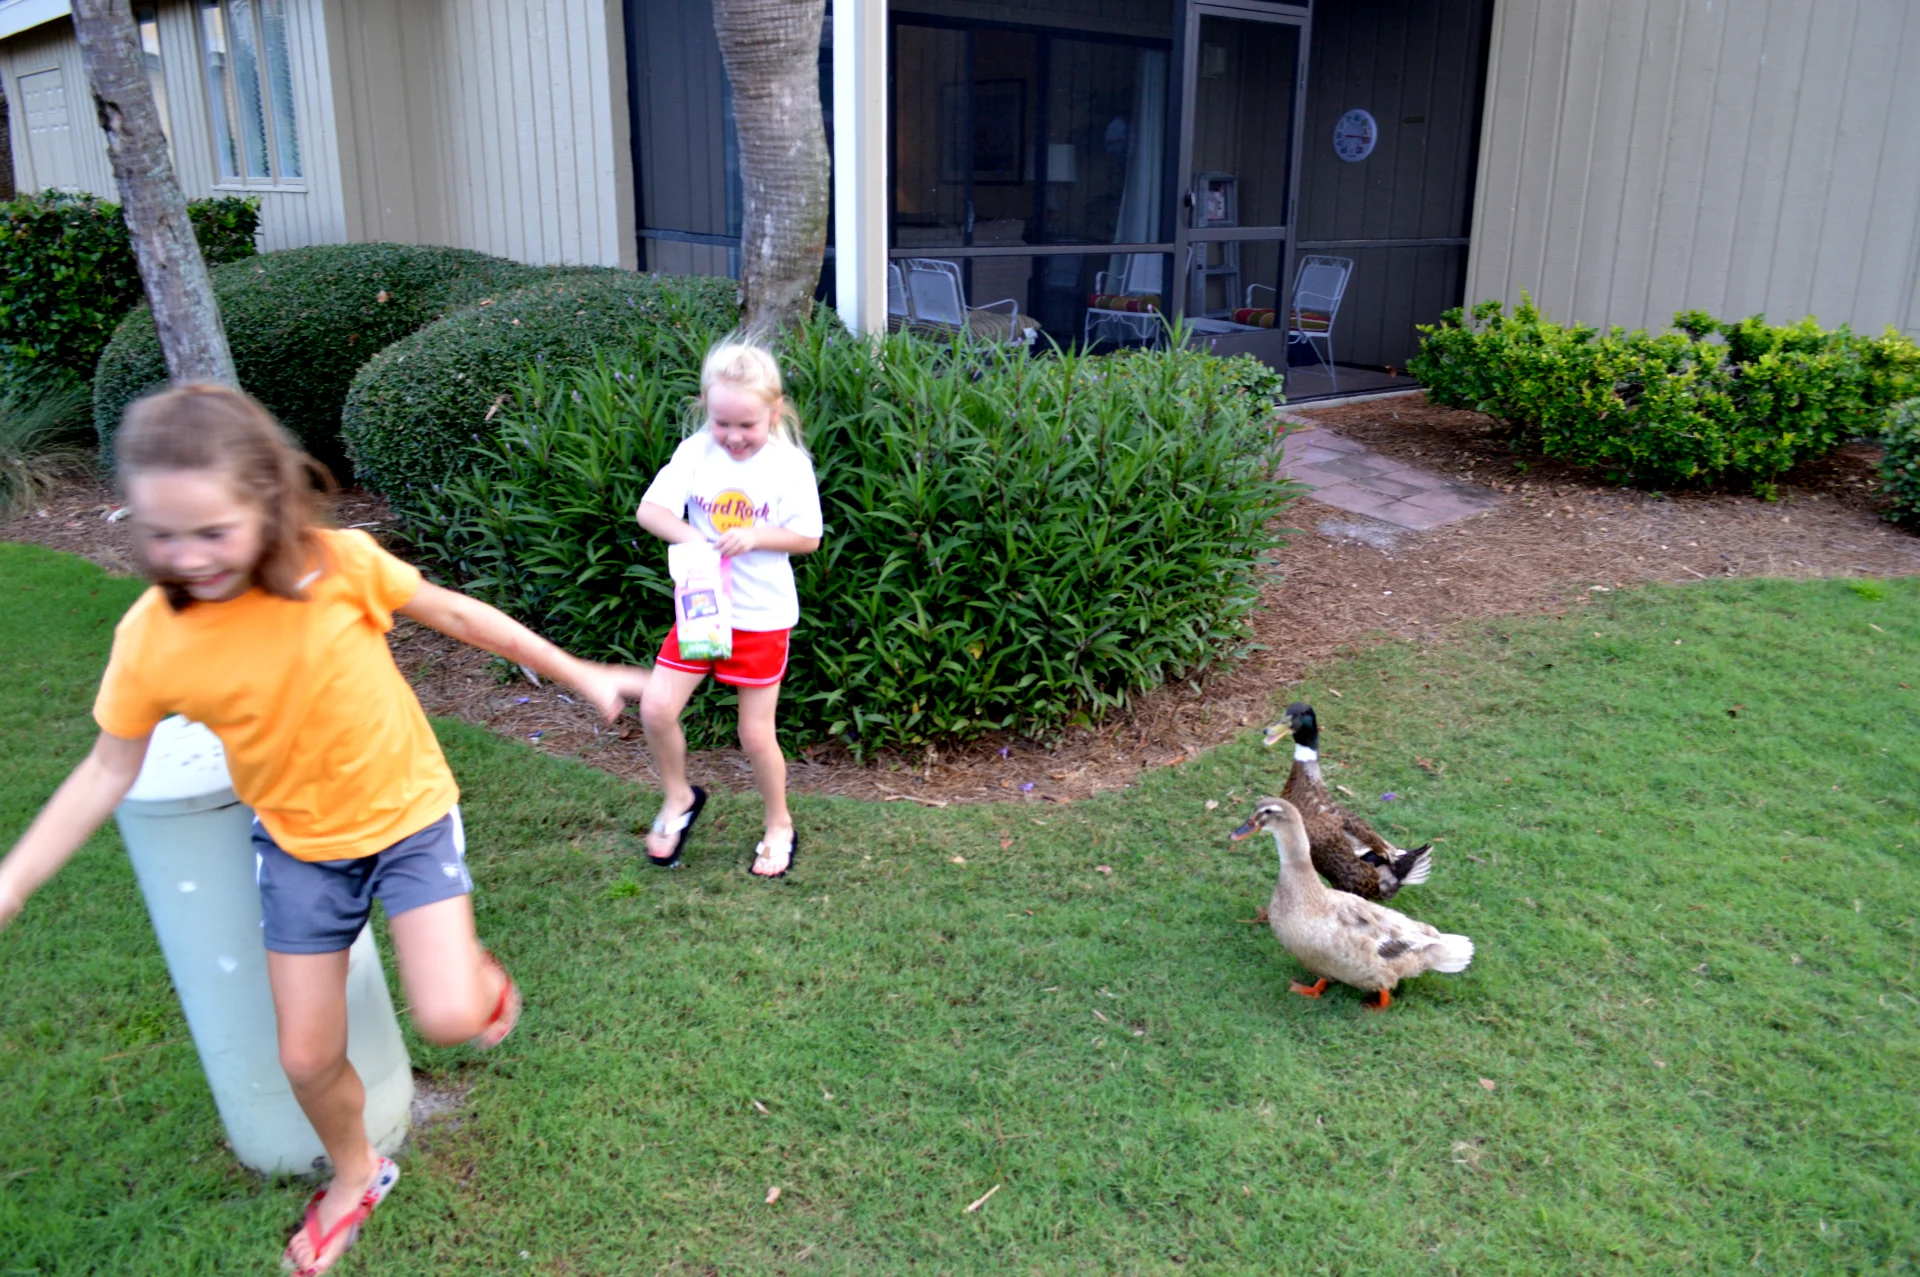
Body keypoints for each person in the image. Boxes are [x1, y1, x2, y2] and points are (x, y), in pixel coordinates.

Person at [0, 385, 644, 1277]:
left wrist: (577, 671)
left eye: (212, 531)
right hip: (301, 850)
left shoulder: (338, 564)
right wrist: (14, 879)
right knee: (305, 1056)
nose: (189, 558)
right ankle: (355, 1172)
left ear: (267, 502)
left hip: (410, 819)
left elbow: (457, 614)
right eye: (163, 535)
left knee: (451, 1016)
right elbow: (109, 768)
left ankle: (472, 978)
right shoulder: (151, 636)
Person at [628, 339, 822, 878]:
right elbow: (650, 511)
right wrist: (694, 538)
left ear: (774, 412)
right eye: (722, 423)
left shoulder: (789, 466)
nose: (734, 437)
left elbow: (808, 537)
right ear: (705, 410)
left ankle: (779, 824)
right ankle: (678, 798)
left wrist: (756, 536)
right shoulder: (695, 453)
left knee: (755, 735)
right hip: (702, 607)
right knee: (656, 709)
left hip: (760, 619)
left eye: (747, 425)